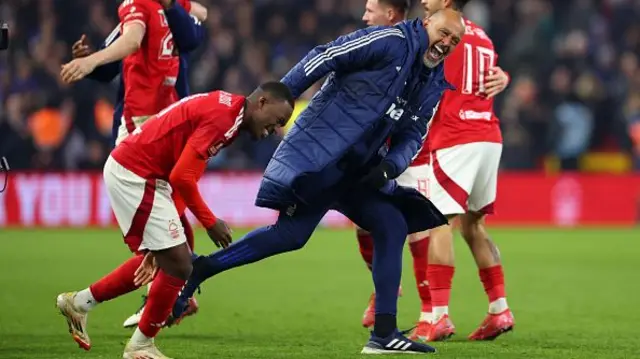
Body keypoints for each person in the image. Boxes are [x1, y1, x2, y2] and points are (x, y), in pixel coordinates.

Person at [171, 9, 465, 354]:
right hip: (322, 157)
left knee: (392, 222)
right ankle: (202, 268)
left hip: (361, 170)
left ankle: (383, 335)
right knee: (290, 236)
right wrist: (282, 101)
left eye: (455, 41)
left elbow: (414, 132)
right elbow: (325, 55)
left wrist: (389, 167)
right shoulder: (390, 40)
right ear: (427, 23)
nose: (446, 43)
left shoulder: (433, 80)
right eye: (444, 33)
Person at [55, 83, 295, 359]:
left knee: (172, 256)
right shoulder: (225, 119)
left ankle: (80, 303)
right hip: (137, 174)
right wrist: (209, 221)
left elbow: (184, 173)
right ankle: (140, 346)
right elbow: (182, 176)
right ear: (262, 102)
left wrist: (169, 226)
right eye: (277, 121)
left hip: (148, 176)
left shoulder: (228, 110)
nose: (274, 129)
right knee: (180, 264)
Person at [65, 0, 207, 328]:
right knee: (167, 228)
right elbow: (120, 53)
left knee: (163, 228)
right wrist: (91, 60)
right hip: (151, 127)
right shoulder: (139, 9)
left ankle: (166, 299)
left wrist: (176, 7)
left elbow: (192, 32)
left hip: (157, 125)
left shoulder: (157, 6)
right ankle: (172, 297)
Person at [407, 0, 514, 342]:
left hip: (456, 137)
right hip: (488, 135)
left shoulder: (442, 31)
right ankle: (499, 310)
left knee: (438, 223)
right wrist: (506, 76)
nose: (424, 0)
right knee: (473, 225)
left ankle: (437, 316)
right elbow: (490, 75)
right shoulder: (482, 35)